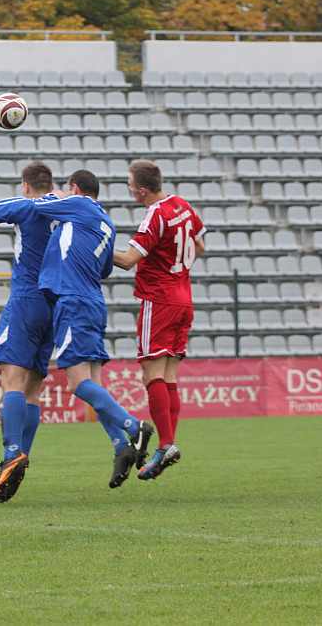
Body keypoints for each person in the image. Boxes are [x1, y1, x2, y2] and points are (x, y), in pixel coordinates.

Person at [33, 169, 153, 489]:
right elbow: (103, 269)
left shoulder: (79, 207)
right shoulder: (106, 224)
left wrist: (54, 196)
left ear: (75, 189)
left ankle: (133, 426)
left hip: (73, 302)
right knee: (94, 385)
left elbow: (38, 206)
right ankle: (120, 447)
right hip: (94, 303)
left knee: (76, 383)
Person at [0, 162, 57, 503]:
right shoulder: (68, 209)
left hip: (26, 299)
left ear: (26, 185)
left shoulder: (27, 205)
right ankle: (21, 457)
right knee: (32, 390)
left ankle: (12, 450)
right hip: (56, 305)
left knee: (12, 381)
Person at [113, 159, 205, 480]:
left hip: (159, 299)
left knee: (152, 374)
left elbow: (127, 261)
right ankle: (168, 445)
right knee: (169, 376)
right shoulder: (182, 205)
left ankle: (166, 445)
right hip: (184, 298)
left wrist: (93, 244)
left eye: (129, 184)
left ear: (140, 190)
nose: (128, 188)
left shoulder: (156, 215)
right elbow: (200, 246)